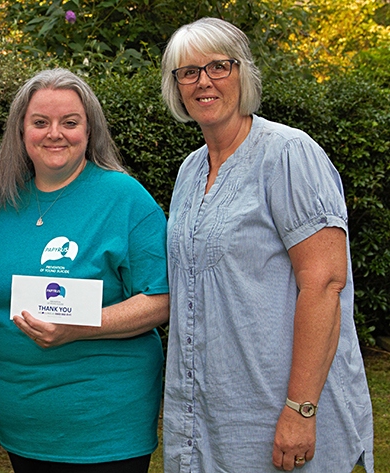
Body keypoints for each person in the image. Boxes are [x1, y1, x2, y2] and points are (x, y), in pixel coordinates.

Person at [160, 17, 374, 472]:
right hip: (210, 411)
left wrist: (301, 409)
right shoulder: (189, 171)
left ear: (245, 74)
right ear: (176, 86)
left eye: (219, 66)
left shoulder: (288, 153)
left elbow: (325, 284)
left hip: (278, 406)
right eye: (188, 71)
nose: (203, 81)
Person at [0, 68, 169, 472]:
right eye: (40, 122)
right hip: (21, 421)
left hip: (105, 425)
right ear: (21, 130)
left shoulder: (125, 198)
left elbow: (162, 298)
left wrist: (84, 325)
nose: (55, 134)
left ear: (89, 129)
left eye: (70, 122)